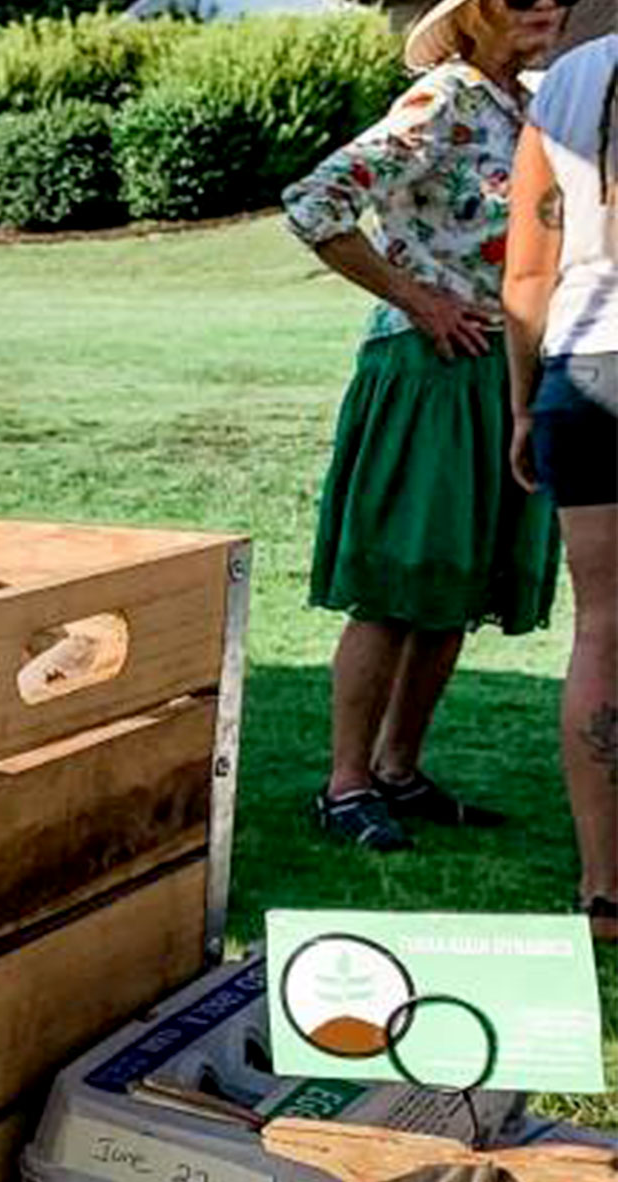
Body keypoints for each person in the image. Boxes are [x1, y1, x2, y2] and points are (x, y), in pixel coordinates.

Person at [283, 0, 568, 852]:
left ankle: (397, 769)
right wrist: (419, 298)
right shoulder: (442, 96)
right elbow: (316, 202)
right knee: (397, 586)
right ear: (474, 13)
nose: (546, 6)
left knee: (457, 582)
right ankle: (344, 785)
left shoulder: (525, 103)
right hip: (428, 370)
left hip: (498, 370)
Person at [505, 23, 618, 932]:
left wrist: (521, 402)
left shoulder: (569, 78)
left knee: (603, 631)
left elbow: (529, 269)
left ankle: (603, 888)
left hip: (585, 372)